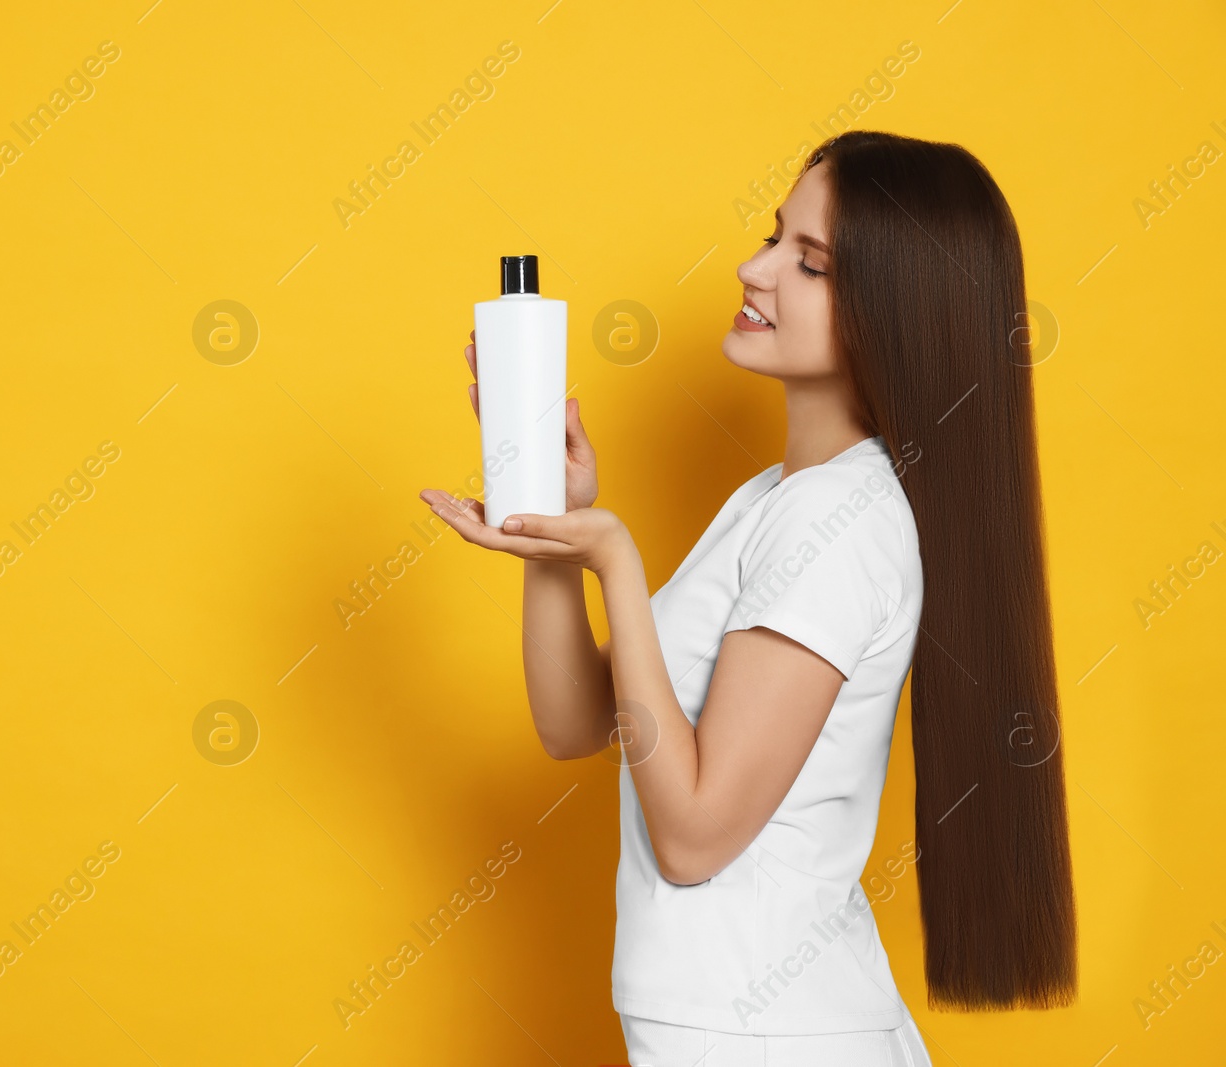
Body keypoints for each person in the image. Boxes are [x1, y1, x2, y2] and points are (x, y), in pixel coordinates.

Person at [418, 130, 1077, 1067]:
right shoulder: (773, 501)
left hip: (776, 1035)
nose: (751, 267)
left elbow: (691, 836)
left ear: (894, 310)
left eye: (807, 263)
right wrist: (555, 534)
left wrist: (616, 559)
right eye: (774, 237)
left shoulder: (842, 524)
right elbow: (576, 723)